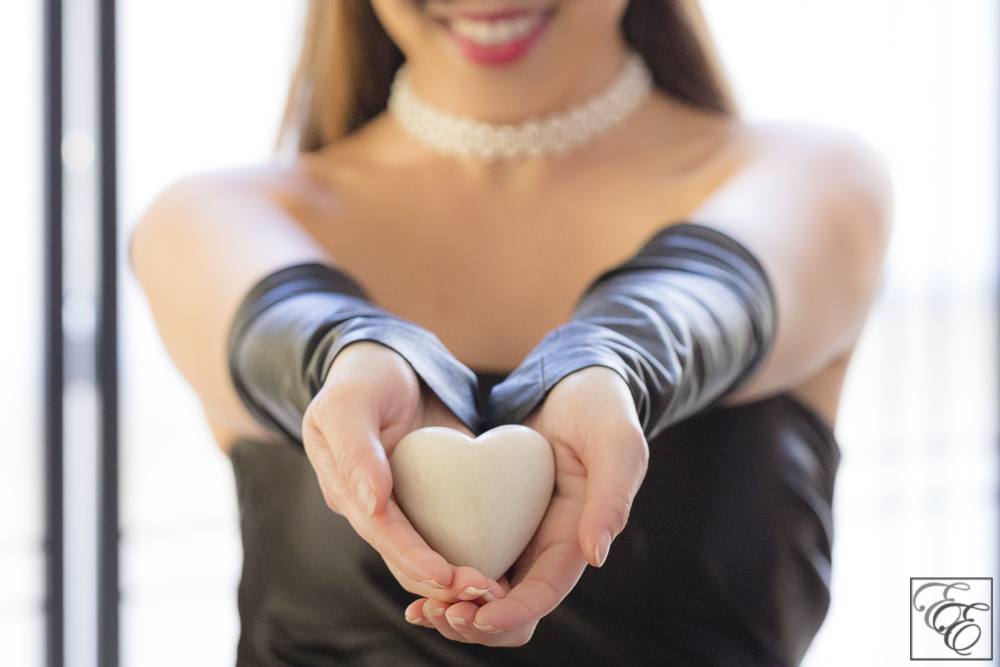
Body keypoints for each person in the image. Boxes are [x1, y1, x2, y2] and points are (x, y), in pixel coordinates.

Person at [131, 0, 891, 664]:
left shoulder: (813, 176)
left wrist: (607, 362)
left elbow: (714, 292)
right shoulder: (214, 217)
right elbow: (279, 319)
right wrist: (354, 354)